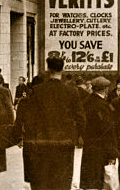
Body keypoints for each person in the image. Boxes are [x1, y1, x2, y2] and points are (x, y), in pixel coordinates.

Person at [25, 56, 86, 190]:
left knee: (43, 180)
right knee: (62, 181)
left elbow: (29, 118)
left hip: (42, 143)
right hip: (64, 143)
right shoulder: (72, 91)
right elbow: (81, 117)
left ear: (48, 69)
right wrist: (79, 136)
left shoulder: (37, 90)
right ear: (62, 70)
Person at [80, 76, 119, 190]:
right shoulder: (103, 105)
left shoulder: (86, 102)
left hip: (89, 146)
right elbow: (108, 130)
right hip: (101, 149)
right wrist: (112, 152)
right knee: (99, 181)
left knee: (89, 180)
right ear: (105, 89)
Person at [13, 75, 43, 189]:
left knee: (33, 174)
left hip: (31, 140)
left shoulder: (25, 102)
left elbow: (18, 123)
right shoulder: (49, 102)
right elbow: (19, 122)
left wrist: (19, 138)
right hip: (42, 140)